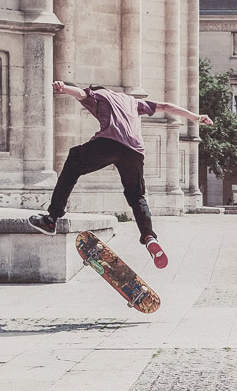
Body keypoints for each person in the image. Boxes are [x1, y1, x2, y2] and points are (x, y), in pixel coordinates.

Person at [28, 80, 212, 268]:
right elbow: (165, 106)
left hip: (109, 143)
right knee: (137, 196)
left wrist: (64, 88)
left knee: (73, 163)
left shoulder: (98, 94)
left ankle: (51, 219)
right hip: (135, 152)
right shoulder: (132, 101)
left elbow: (81, 94)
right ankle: (149, 236)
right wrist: (196, 117)